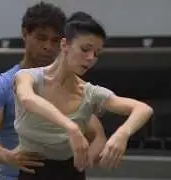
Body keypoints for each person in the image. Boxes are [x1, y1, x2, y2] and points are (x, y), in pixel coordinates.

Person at [13, 12, 154, 180]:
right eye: (85, 49)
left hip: (70, 172)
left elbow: (143, 109)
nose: (90, 58)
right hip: (30, 172)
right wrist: (71, 127)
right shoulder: (28, 76)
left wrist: (122, 134)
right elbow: (28, 99)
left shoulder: (89, 92)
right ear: (64, 44)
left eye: (96, 53)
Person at [0, 3, 107, 180]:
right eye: (41, 38)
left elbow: (98, 136)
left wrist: (85, 159)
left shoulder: (70, 86)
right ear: (25, 34)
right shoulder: (1, 85)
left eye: (54, 41)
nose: (48, 47)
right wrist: (9, 157)